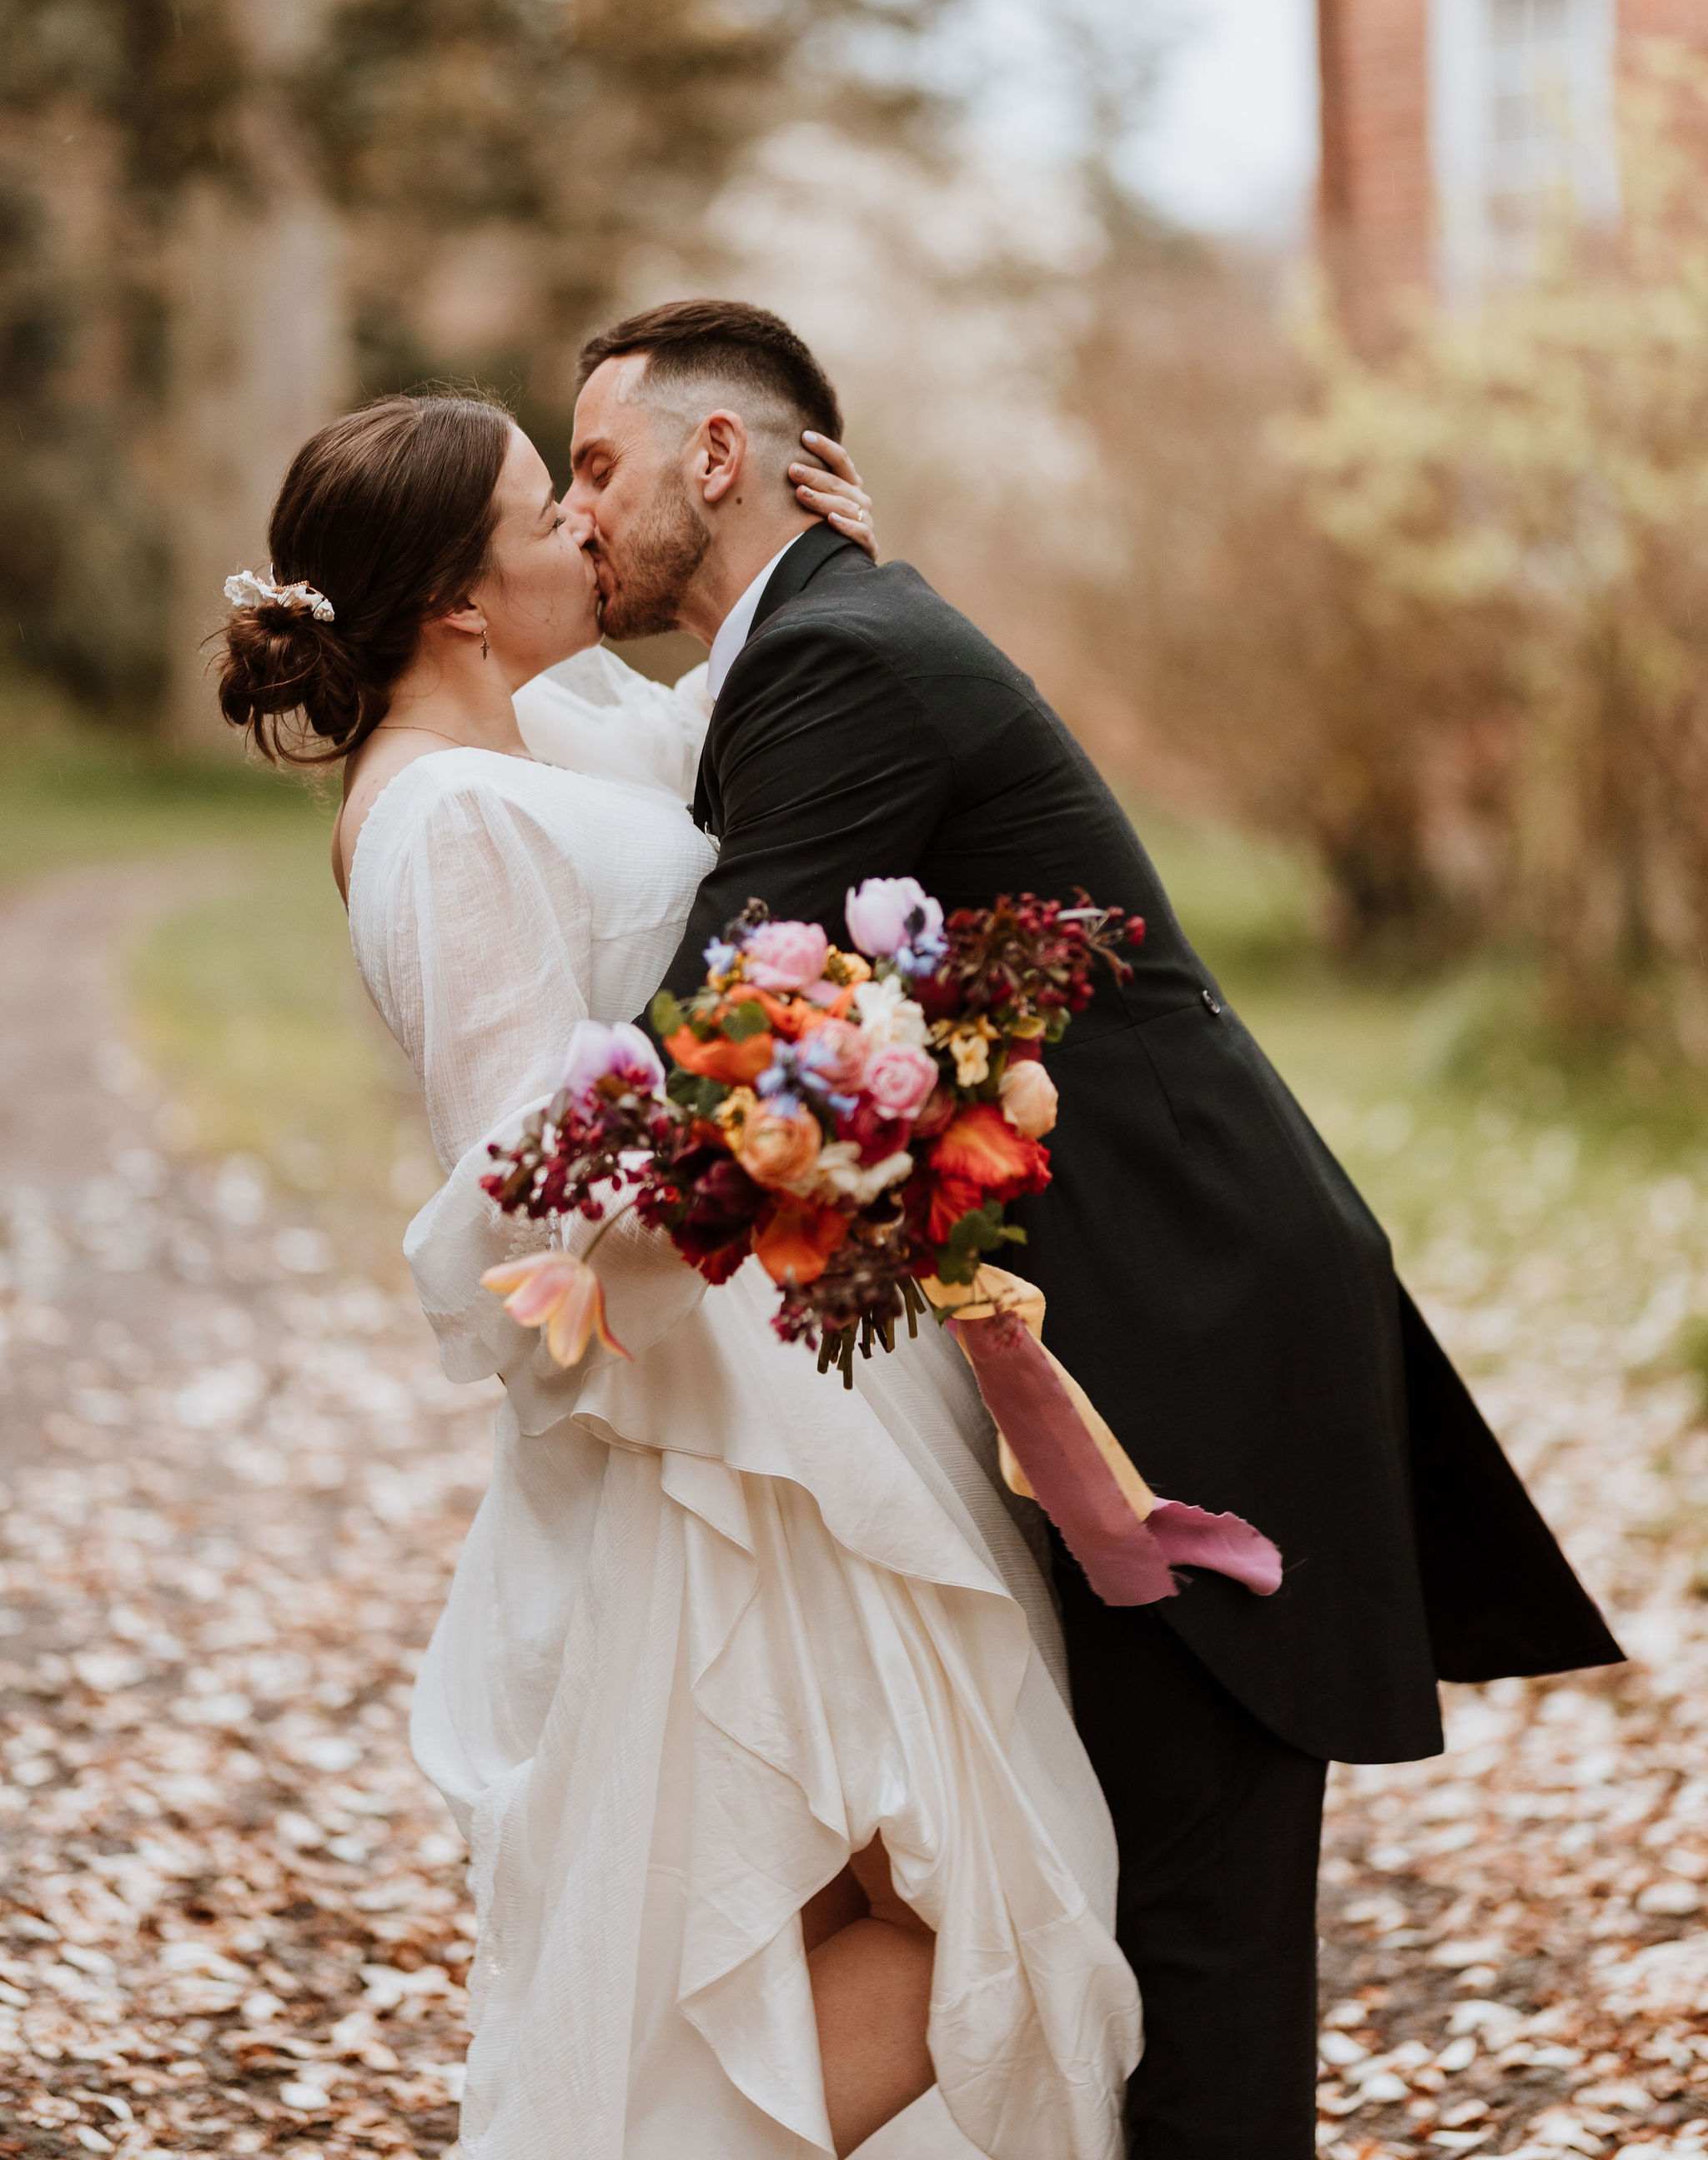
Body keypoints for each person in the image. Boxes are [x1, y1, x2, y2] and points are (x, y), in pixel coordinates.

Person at [564, 297, 1626, 2160]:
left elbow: (716, 1021)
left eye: (595, 466)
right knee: (1146, 1891)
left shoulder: (842, 653)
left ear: (717, 456)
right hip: (1117, 1307)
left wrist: (518, 1170)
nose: (579, 515)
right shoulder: (832, 638)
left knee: (1192, 1916)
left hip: (1183, 1323)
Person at [214, 388, 1143, 2160]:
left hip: (786, 1391)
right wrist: (804, 1114)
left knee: (862, 1904)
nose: (585, 520)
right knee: (964, 1913)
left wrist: (826, 566)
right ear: (459, 603)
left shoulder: (548, 722)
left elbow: (732, 746)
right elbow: (530, 1181)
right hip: (718, 1435)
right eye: (543, 508)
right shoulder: (441, 818)